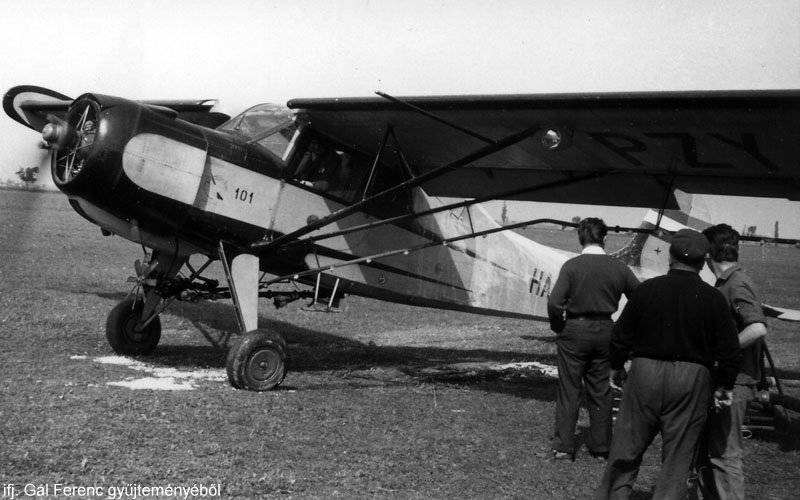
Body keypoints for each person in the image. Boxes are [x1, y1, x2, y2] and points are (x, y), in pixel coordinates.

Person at [595, 229, 740, 500]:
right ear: (703, 261)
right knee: (677, 459)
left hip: (644, 373)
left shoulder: (647, 289)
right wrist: (725, 386)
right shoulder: (713, 298)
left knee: (625, 447)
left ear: (670, 257)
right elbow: (730, 351)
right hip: (691, 378)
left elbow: (621, 336)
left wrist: (617, 366)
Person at [547, 217, 639, 461]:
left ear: (580, 238)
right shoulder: (619, 267)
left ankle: (564, 447)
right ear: (605, 238)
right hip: (606, 330)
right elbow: (639, 298)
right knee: (601, 390)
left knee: (569, 389)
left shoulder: (572, 266)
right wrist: (623, 328)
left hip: (575, 329)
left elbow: (555, 303)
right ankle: (601, 447)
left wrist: (559, 326)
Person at [698, 224, 768, 500]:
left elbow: (757, 327)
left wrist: (723, 351)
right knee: (711, 452)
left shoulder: (737, 284)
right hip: (727, 379)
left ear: (708, 254)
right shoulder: (727, 282)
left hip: (735, 383)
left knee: (725, 454)